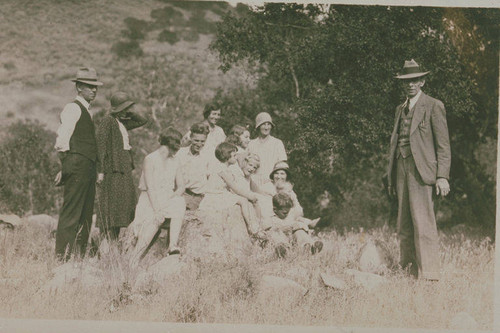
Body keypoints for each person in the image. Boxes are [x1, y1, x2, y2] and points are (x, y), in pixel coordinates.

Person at [386, 59, 451, 281]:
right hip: (401, 169)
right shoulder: (399, 109)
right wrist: (390, 177)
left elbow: (443, 145)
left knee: (423, 223)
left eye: (414, 80)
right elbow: (395, 143)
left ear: (422, 82)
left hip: (422, 172)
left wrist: (442, 176)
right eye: (406, 81)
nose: (410, 85)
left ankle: (431, 276)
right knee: (403, 224)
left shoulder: (434, 105)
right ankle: (408, 273)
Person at [53, 67, 103, 261]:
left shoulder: (87, 112)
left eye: (96, 87)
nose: (94, 90)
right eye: (90, 87)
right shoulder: (73, 108)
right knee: (72, 212)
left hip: (88, 167)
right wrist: (66, 166)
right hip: (77, 165)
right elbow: (62, 139)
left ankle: (80, 257)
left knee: (86, 213)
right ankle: (62, 258)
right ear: (79, 87)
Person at [126, 128, 186, 265]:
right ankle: (134, 259)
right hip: (150, 199)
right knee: (156, 219)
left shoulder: (175, 161)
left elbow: (181, 186)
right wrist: (158, 209)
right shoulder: (151, 159)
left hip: (167, 197)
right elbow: (150, 187)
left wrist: (173, 196)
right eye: (175, 145)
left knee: (179, 202)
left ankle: (172, 245)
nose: (175, 150)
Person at [95, 91, 147, 241]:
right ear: (117, 108)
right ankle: (106, 244)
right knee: (112, 208)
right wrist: (101, 171)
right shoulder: (108, 121)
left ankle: (114, 243)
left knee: (122, 209)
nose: (127, 110)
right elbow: (101, 146)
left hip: (124, 168)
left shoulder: (120, 122)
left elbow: (143, 120)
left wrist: (129, 111)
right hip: (113, 169)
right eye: (124, 108)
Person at [199, 142, 261, 235]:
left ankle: (257, 224)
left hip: (221, 193)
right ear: (226, 156)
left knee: (247, 201)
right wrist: (249, 195)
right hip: (216, 195)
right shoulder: (221, 169)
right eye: (234, 155)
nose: (236, 157)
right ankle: (250, 226)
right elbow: (235, 187)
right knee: (243, 200)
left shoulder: (227, 169)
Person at [260, 193, 323, 258]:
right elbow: (266, 230)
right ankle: (282, 250)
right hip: (281, 240)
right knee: (275, 234)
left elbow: (299, 220)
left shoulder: (290, 216)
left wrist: (301, 225)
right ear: (275, 209)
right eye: (284, 213)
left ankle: (311, 246)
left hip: (292, 239)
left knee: (299, 231)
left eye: (288, 212)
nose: (287, 214)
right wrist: (281, 229)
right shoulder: (270, 218)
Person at [175, 122, 211, 211]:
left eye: (202, 141)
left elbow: (210, 178)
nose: (199, 144)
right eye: (196, 140)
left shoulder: (208, 156)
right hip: (184, 196)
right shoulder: (180, 154)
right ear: (190, 138)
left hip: (202, 199)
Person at [247, 112, 287, 186]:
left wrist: (276, 179)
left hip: (271, 182)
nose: (266, 127)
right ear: (258, 126)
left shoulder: (277, 143)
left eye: (268, 124)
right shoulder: (251, 144)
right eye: (263, 124)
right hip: (253, 181)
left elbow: (282, 166)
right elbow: (246, 164)